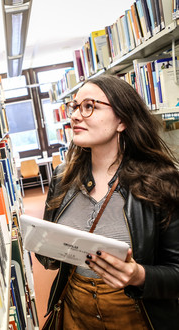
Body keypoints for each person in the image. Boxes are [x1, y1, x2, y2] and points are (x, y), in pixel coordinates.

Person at [36, 75, 179, 330]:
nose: (76, 116)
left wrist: (139, 276)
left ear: (122, 120)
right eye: (75, 106)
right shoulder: (62, 177)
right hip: (74, 314)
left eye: (89, 106)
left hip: (137, 316)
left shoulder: (162, 182)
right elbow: (50, 257)